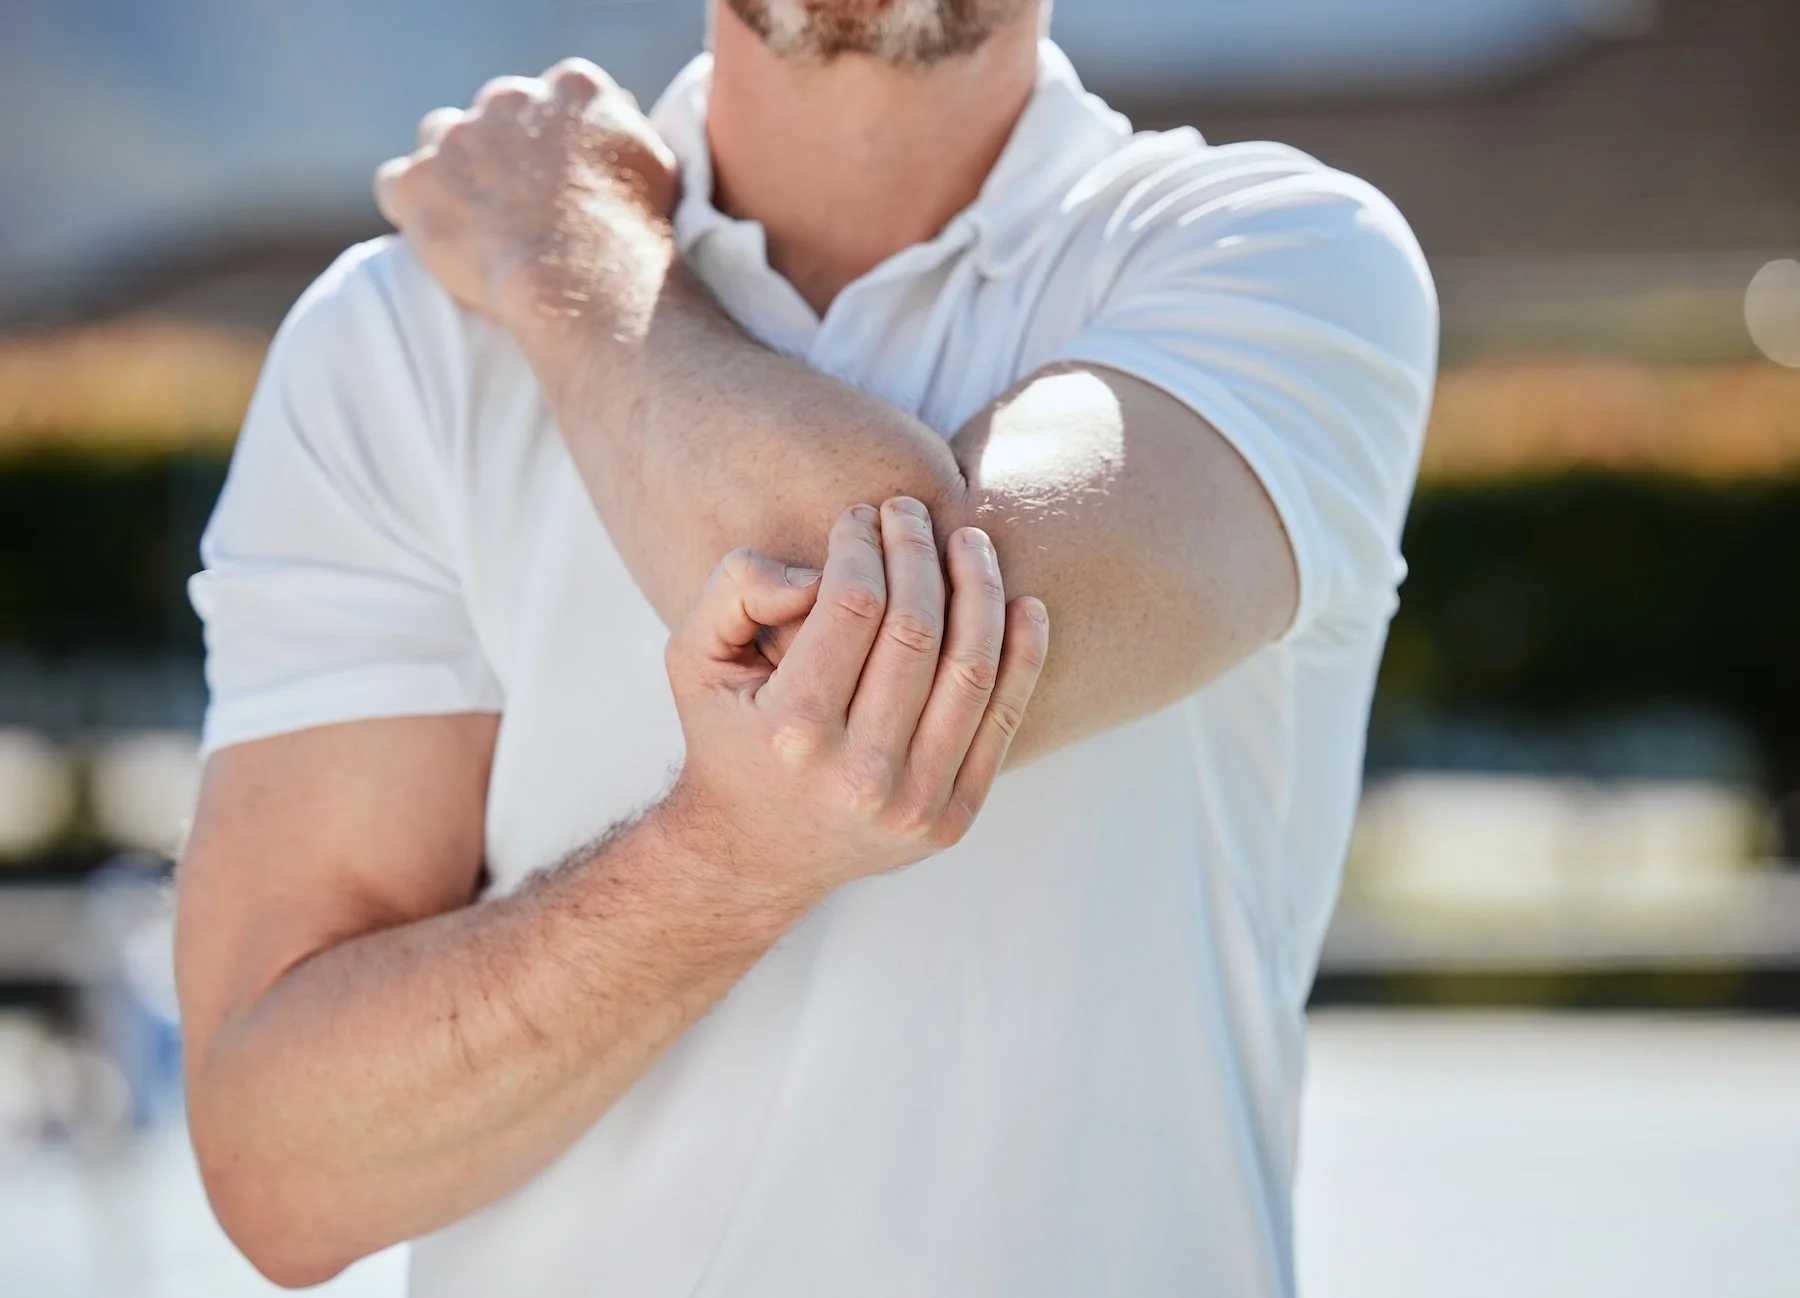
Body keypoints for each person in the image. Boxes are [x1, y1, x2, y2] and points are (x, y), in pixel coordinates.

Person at [175, 1, 1437, 1294]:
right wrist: (717, 863)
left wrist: (578, 258)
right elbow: (285, 1170)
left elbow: (886, 650)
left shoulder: (1282, 258)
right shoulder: (396, 346)